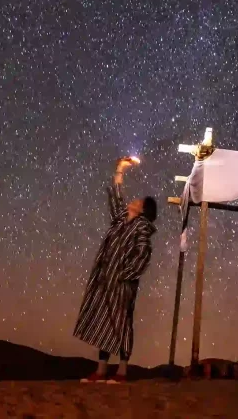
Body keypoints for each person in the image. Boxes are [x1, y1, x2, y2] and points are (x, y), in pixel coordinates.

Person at [75, 156, 157, 383]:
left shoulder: (142, 227)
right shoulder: (122, 220)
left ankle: (121, 372)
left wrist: (124, 276)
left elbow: (143, 255)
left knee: (121, 322)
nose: (133, 201)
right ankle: (101, 371)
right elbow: (117, 198)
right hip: (106, 280)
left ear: (142, 210)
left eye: (138, 201)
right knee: (105, 320)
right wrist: (120, 169)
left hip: (121, 284)